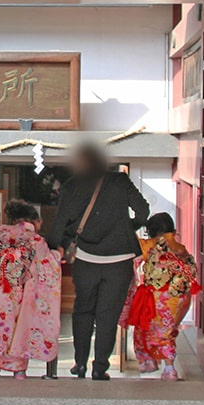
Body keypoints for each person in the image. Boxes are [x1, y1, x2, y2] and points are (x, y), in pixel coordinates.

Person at [48, 143, 149, 380]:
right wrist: (127, 227)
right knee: (108, 314)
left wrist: (53, 248)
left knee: (83, 310)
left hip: (86, 258)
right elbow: (143, 211)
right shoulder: (119, 181)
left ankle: (79, 363)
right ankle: (100, 367)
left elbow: (60, 222)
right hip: (120, 260)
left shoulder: (72, 186)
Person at [0, 200, 62, 379]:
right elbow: (49, 266)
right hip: (17, 293)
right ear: (35, 221)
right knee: (17, 331)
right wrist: (57, 254)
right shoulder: (35, 240)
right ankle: (19, 374)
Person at [121, 212, 201, 381]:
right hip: (179, 297)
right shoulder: (180, 248)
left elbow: (133, 259)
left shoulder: (150, 245)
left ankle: (149, 361)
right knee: (167, 332)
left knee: (144, 329)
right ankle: (169, 368)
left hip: (156, 298)